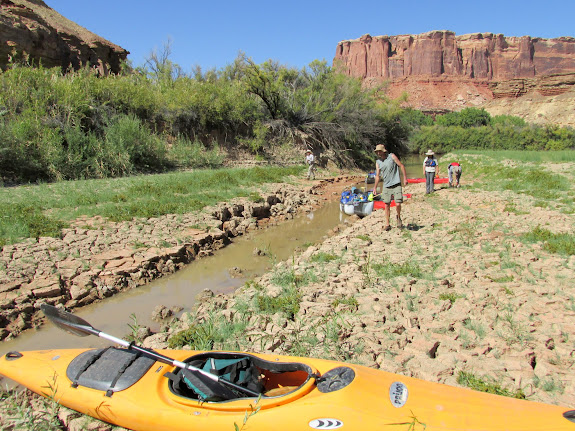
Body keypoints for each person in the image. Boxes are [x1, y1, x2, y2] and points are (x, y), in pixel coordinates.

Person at [372, 144, 407, 231]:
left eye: (379, 151)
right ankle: (387, 224)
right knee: (386, 205)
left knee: (398, 203)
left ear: (383, 151)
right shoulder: (378, 162)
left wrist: (405, 178)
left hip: (396, 183)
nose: (378, 153)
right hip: (386, 186)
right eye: (377, 152)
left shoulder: (391, 156)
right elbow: (377, 175)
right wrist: (375, 188)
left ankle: (398, 217)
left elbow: (401, 166)